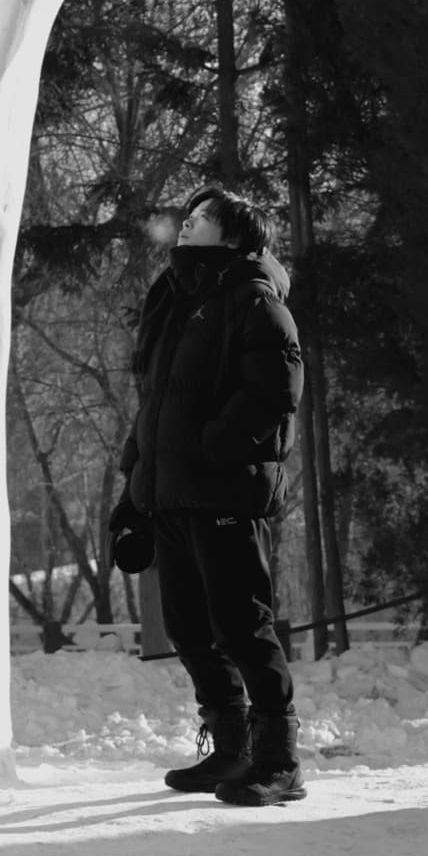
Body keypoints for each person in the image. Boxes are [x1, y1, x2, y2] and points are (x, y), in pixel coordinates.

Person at [111, 186, 306, 806]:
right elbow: (156, 404)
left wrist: (213, 446)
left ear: (235, 236)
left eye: (201, 219)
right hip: (169, 493)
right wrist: (134, 489)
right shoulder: (174, 298)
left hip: (223, 488)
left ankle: (278, 761)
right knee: (189, 627)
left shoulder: (253, 297)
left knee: (241, 625)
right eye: (187, 216)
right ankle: (231, 746)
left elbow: (276, 388)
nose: (186, 224)